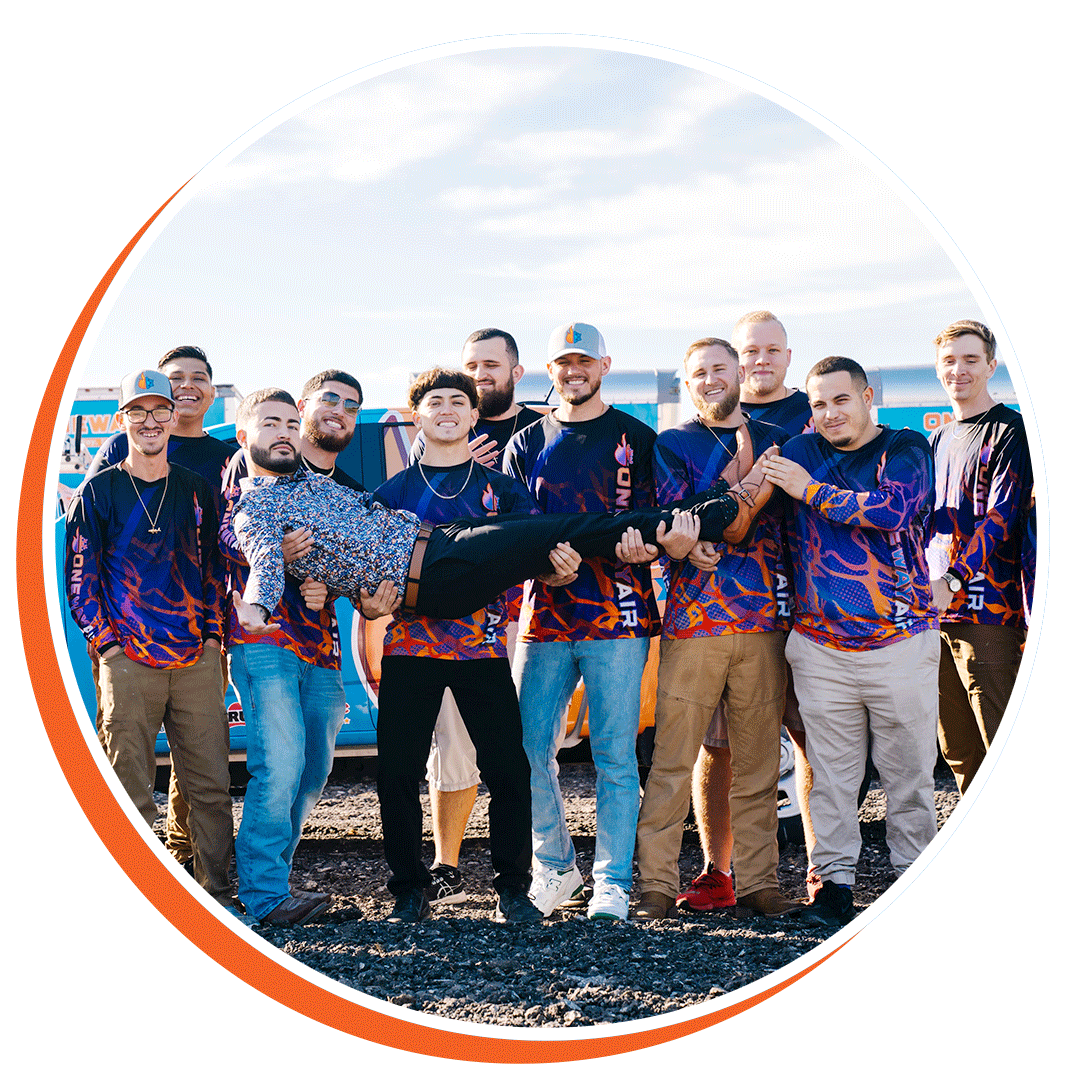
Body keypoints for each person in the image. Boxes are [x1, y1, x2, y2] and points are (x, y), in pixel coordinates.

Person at [500, 322, 736, 923]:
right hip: (543, 617)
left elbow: (663, 524)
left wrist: (650, 549)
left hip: (620, 617)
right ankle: (554, 867)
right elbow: (513, 530)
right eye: (563, 362)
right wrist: (541, 564)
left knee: (614, 756)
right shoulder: (525, 444)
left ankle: (612, 882)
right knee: (526, 750)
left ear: (605, 366)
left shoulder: (637, 437)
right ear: (549, 371)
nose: (574, 371)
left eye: (584, 361)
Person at [761, 356, 940, 928]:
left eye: (841, 400)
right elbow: (759, 519)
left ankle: (914, 883)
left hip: (900, 642)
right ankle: (833, 888)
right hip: (820, 647)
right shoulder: (798, 450)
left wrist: (809, 490)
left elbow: (894, 510)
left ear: (866, 397)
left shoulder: (905, 446)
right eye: (818, 404)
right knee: (830, 778)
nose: (829, 413)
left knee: (909, 777)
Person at [221, 369, 398, 927]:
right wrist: (273, 555)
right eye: (270, 422)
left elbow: (349, 564)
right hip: (265, 642)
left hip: (320, 646)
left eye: (288, 425)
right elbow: (225, 536)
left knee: (313, 769)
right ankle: (265, 896)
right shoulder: (242, 475)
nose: (282, 431)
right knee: (279, 765)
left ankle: (275, 880)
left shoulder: (330, 490)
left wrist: (343, 590)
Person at [632, 337, 801, 921]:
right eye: (699, 372)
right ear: (687, 383)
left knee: (758, 766)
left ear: (740, 373)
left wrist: (709, 525)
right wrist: (693, 537)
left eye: (720, 369)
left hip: (765, 623)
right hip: (693, 623)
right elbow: (678, 518)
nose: (710, 380)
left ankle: (759, 884)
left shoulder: (778, 440)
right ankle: (656, 885)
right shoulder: (674, 443)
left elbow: (756, 521)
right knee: (672, 762)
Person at [370, 368, 546, 923]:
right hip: (409, 650)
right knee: (397, 774)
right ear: (416, 416)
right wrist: (367, 599)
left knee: (508, 771)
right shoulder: (391, 495)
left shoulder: (504, 491)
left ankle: (513, 890)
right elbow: (365, 574)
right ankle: (408, 889)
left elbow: (536, 548)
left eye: (457, 401)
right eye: (434, 402)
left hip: (483, 651)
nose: (446, 409)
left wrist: (559, 565)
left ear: (474, 415)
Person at [65, 368, 234, 906]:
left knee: (209, 786)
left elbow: (214, 572)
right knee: (129, 788)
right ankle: (140, 903)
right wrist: (108, 647)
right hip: (128, 661)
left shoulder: (195, 490)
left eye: (159, 409)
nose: (150, 421)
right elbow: (80, 581)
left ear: (172, 414)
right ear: (123, 419)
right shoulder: (99, 491)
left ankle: (217, 895)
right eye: (137, 411)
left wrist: (212, 639)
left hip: (195, 658)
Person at [677, 311, 819, 911]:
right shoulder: (698, 430)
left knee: (811, 737)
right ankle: (718, 872)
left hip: (808, 605)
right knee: (720, 746)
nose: (760, 361)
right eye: (750, 351)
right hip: (726, 610)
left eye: (771, 350)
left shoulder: (813, 414)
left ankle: (821, 869)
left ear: (788, 355)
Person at [927, 320, 1032, 795]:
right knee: (958, 751)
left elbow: (1002, 517)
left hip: (990, 613)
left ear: (991, 366)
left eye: (971, 359)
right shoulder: (939, 438)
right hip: (936, 613)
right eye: (949, 361)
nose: (959, 370)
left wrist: (953, 579)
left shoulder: (1010, 430)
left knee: (1002, 745)